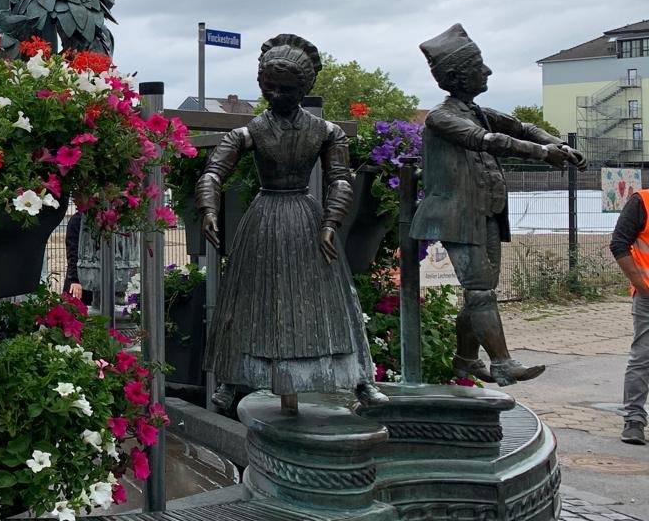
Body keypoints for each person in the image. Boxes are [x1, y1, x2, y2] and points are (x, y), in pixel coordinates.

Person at [198, 34, 386, 414]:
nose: (276, 95)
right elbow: (214, 172)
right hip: (264, 219)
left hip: (307, 218)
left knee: (330, 301)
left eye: (285, 89)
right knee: (251, 299)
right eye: (269, 88)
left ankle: (360, 378)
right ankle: (234, 380)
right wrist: (208, 209)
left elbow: (340, 179)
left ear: (304, 88)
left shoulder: (326, 131)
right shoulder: (249, 132)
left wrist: (332, 220)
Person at [410, 24, 586, 385]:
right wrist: (541, 153)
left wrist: (558, 144)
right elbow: (485, 141)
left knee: (480, 291)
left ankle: (465, 359)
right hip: (454, 217)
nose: (488, 71)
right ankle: (502, 362)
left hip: (486, 214)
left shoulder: (480, 110)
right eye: (480, 65)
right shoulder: (442, 117)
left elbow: (521, 127)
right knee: (480, 290)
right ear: (459, 76)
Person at [611, 189, 649, 445]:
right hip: (648, 295)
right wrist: (640, 283)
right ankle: (634, 419)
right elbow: (619, 244)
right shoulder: (642, 201)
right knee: (643, 355)